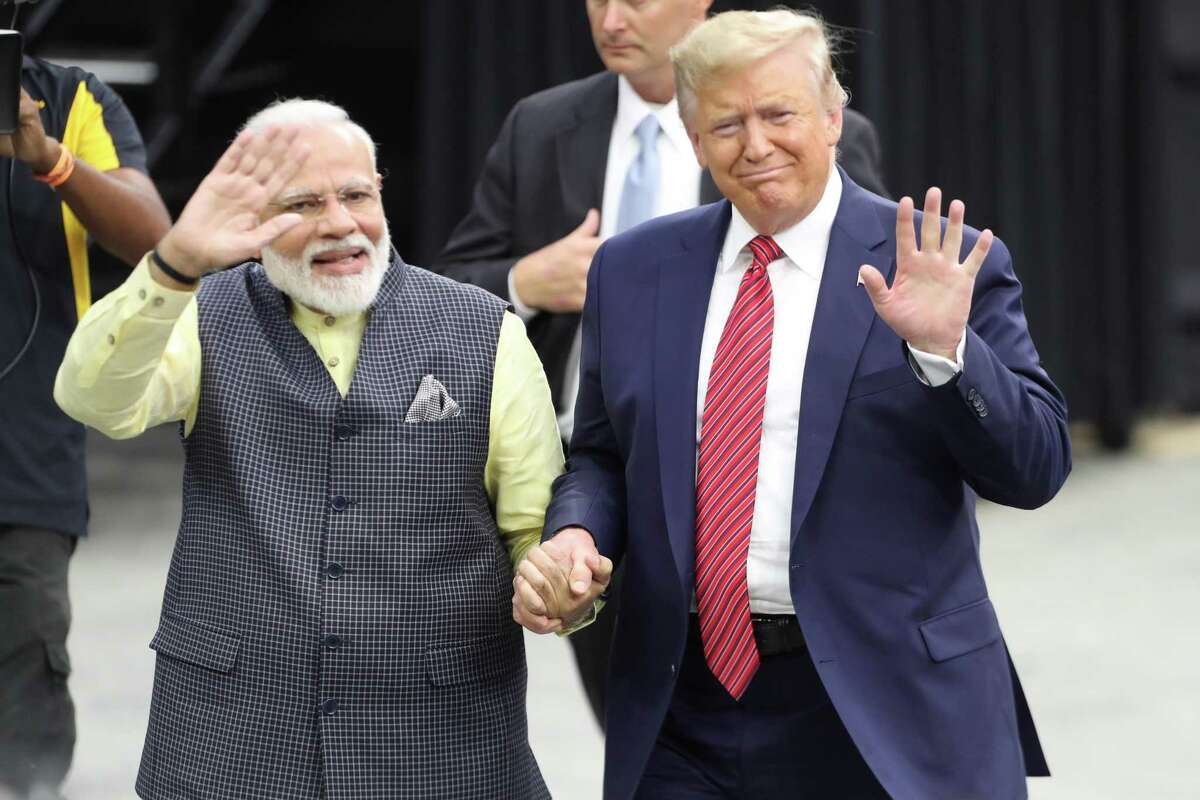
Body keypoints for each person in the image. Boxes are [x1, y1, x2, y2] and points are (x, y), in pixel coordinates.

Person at [513, 8, 1070, 800]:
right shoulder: (634, 271)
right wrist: (575, 533)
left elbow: (1035, 469)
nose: (757, 144)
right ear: (696, 139)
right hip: (685, 705)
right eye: (727, 123)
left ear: (834, 118)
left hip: (886, 708)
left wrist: (948, 355)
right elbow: (603, 452)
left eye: (779, 114)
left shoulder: (932, 265)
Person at [54, 99, 561, 799]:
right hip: (230, 740)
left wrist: (560, 584)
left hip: (440, 736)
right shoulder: (200, 311)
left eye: (356, 194)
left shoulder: (482, 329)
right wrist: (173, 265)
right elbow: (94, 398)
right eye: (303, 203)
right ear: (251, 217)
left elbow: (537, 525)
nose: (340, 223)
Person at [435, 0, 888, 730]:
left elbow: (859, 300)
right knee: (643, 726)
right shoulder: (542, 125)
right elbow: (445, 290)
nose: (613, 17)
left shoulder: (801, 143)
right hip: (590, 473)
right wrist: (526, 280)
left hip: (748, 481)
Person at [0, 38, 171, 800]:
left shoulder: (71, 100)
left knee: (28, 673)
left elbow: (151, 236)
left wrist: (50, 160)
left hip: (24, 442)